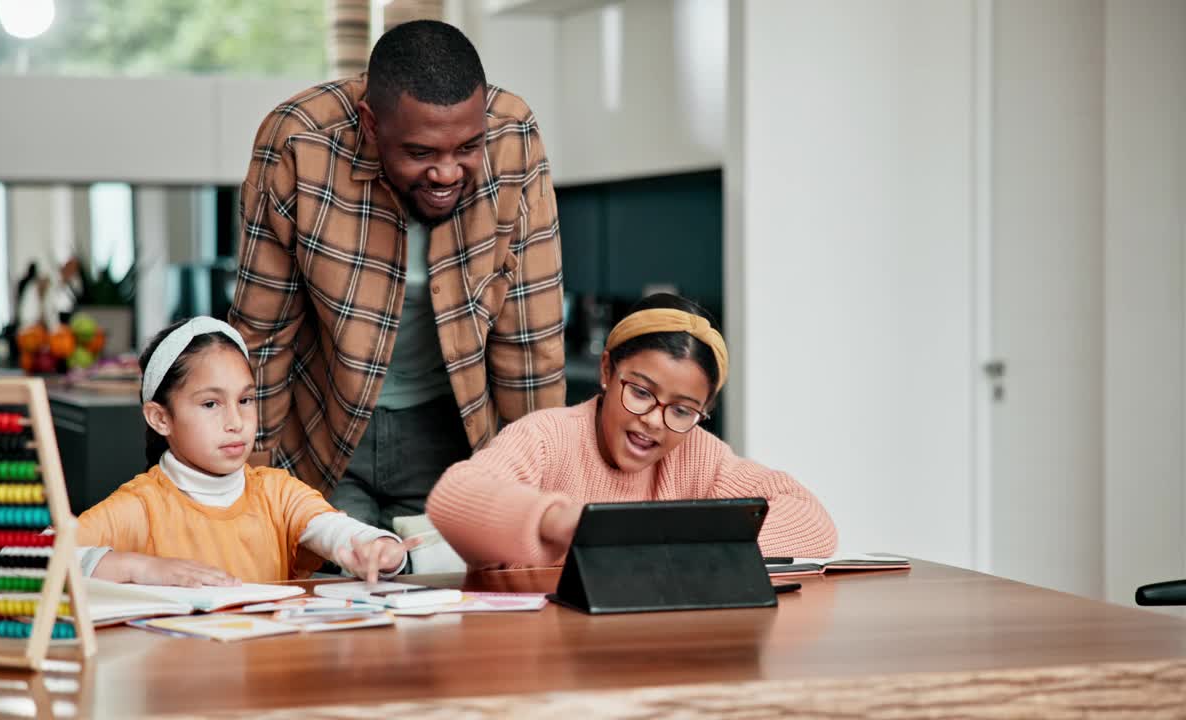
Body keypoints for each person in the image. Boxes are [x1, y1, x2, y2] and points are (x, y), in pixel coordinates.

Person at [228, 19, 566, 532]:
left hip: (451, 431)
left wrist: (541, 500)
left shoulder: (514, 137)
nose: (448, 173)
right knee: (336, 595)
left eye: (467, 148)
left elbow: (530, 343)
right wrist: (247, 495)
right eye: (421, 153)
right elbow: (264, 337)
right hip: (322, 430)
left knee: (450, 601)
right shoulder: (298, 140)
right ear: (370, 123)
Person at [427, 294, 839, 568]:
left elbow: (811, 522)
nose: (654, 421)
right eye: (641, 392)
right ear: (607, 370)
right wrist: (558, 521)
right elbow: (454, 496)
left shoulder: (699, 454)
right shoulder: (548, 437)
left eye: (682, 409)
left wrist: (666, 543)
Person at [75, 317, 417, 587]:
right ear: (160, 418)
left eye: (245, 400)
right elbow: (34, 561)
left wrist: (379, 547)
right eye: (211, 404)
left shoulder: (277, 492)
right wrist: (140, 567)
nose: (235, 421)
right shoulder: (140, 506)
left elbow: (332, 529)